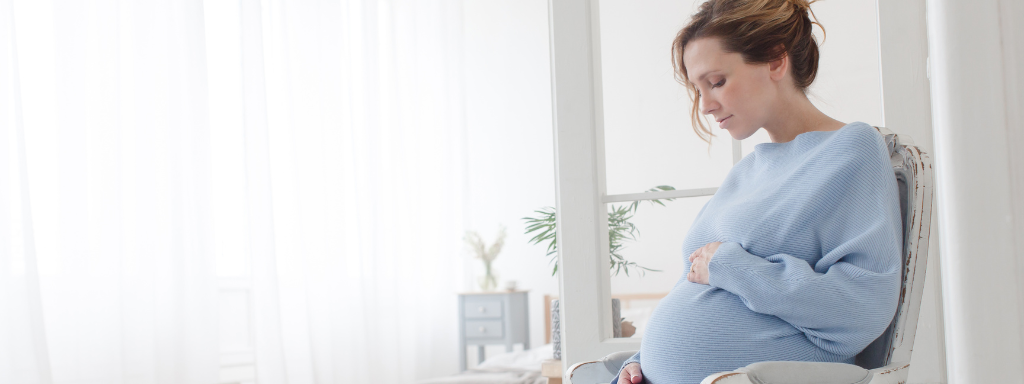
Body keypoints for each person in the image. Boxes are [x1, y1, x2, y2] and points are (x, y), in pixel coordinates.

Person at [612, 0, 903, 383]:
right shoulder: (747, 171)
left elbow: (861, 308)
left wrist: (733, 267)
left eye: (716, 82)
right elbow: (699, 288)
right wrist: (642, 359)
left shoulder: (851, 149)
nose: (705, 106)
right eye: (698, 90)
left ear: (775, 60)